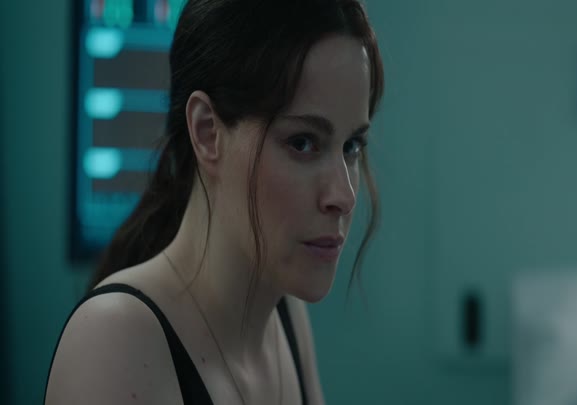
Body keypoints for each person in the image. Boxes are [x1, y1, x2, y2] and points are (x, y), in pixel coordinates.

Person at [44, 0, 384, 403]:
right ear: (207, 131)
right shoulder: (114, 340)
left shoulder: (285, 315)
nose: (343, 196)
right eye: (302, 142)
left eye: (352, 145)